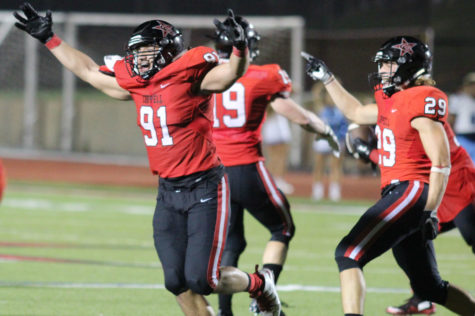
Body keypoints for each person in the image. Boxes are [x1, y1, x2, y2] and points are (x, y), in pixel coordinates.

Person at [13, 3, 282, 316]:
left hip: (206, 188)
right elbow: (87, 71)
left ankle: (260, 283)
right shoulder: (138, 84)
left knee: (201, 278)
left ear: (169, 50)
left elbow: (228, 76)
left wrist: (239, 48)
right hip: (168, 191)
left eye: (147, 51)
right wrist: (49, 38)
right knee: (175, 281)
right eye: (137, 53)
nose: (139, 59)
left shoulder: (190, 76)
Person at [302, 36, 475, 316]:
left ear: (409, 67)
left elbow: (441, 161)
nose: (383, 71)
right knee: (429, 288)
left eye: (389, 64)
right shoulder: (392, 98)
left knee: (348, 254)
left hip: (411, 191)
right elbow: (355, 111)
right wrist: (327, 78)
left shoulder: (422, 98)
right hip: (403, 192)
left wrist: (430, 211)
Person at [210, 16, 339, 316]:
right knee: (282, 227)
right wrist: (327, 132)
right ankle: (264, 298)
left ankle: (225, 311)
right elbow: (300, 117)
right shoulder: (262, 76)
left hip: (214, 172)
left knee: (232, 241)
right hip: (245, 167)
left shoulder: (205, 75)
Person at [348, 120, 475, 315]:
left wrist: (368, 152)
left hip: (457, 183)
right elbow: (357, 112)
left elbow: (414, 157)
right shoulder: (397, 107)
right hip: (432, 189)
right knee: (408, 243)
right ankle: (422, 297)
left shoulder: (418, 111)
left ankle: (424, 295)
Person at [311, 82, 348, 201]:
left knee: (335, 166)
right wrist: (325, 82)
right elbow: (315, 93)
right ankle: (317, 190)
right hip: (322, 140)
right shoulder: (321, 108)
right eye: (329, 96)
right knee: (319, 166)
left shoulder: (340, 110)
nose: (331, 99)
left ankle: (335, 191)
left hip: (337, 140)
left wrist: (337, 85)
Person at [261, 112, 295, 194]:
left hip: (277, 129)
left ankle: (275, 180)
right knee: (277, 158)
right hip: (275, 130)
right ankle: (275, 181)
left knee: (280, 157)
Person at [448, 72, 475, 163]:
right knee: (463, 164)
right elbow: (451, 119)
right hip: (462, 137)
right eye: (471, 85)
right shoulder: (458, 99)